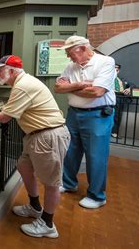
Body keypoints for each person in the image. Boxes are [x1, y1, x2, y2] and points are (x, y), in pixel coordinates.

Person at [0, 55, 70, 239]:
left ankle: (48, 224)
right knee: (23, 167)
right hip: (36, 136)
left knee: (51, 183)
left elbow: (5, 118)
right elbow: (10, 110)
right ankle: (35, 207)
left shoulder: (22, 86)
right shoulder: (22, 83)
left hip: (47, 136)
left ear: (11, 71)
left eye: (0, 69)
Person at [54, 35, 116, 210]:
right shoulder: (70, 66)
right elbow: (58, 88)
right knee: (70, 151)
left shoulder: (105, 62)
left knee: (96, 156)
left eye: (69, 52)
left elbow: (97, 91)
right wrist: (81, 84)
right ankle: (68, 183)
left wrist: (71, 86)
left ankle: (97, 196)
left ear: (81, 48)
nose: (68, 56)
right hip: (74, 114)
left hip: (98, 116)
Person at [112, 63, 134, 137]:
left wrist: (129, 88)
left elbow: (133, 85)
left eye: (117, 68)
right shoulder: (107, 77)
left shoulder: (122, 79)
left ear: (119, 70)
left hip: (120, 97)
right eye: (114, 67)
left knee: (117, 115)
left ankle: (114, 132)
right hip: (110, 96)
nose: (116, 69)